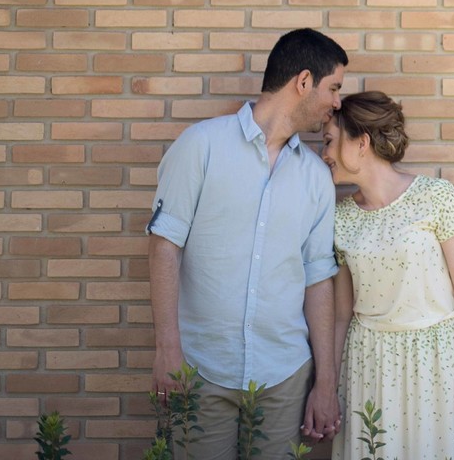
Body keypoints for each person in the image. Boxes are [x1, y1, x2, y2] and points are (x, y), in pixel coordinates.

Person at [148, 28, 349, 459]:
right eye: (333, 88)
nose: (337, 103)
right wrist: (168, 348)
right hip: (201, 368)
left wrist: (325, 382)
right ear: (303, 81)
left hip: (285, 375)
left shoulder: (315, 177)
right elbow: (164, 244)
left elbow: (318, 279)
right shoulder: (201, 145)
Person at [324, 90, 454, 460]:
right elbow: (340, 315)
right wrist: (329, 387)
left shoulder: (436, 196)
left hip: (437, 361)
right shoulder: (341, 218)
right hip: (369, 363)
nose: (324, 154)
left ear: (361, 142)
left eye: (330, 142)